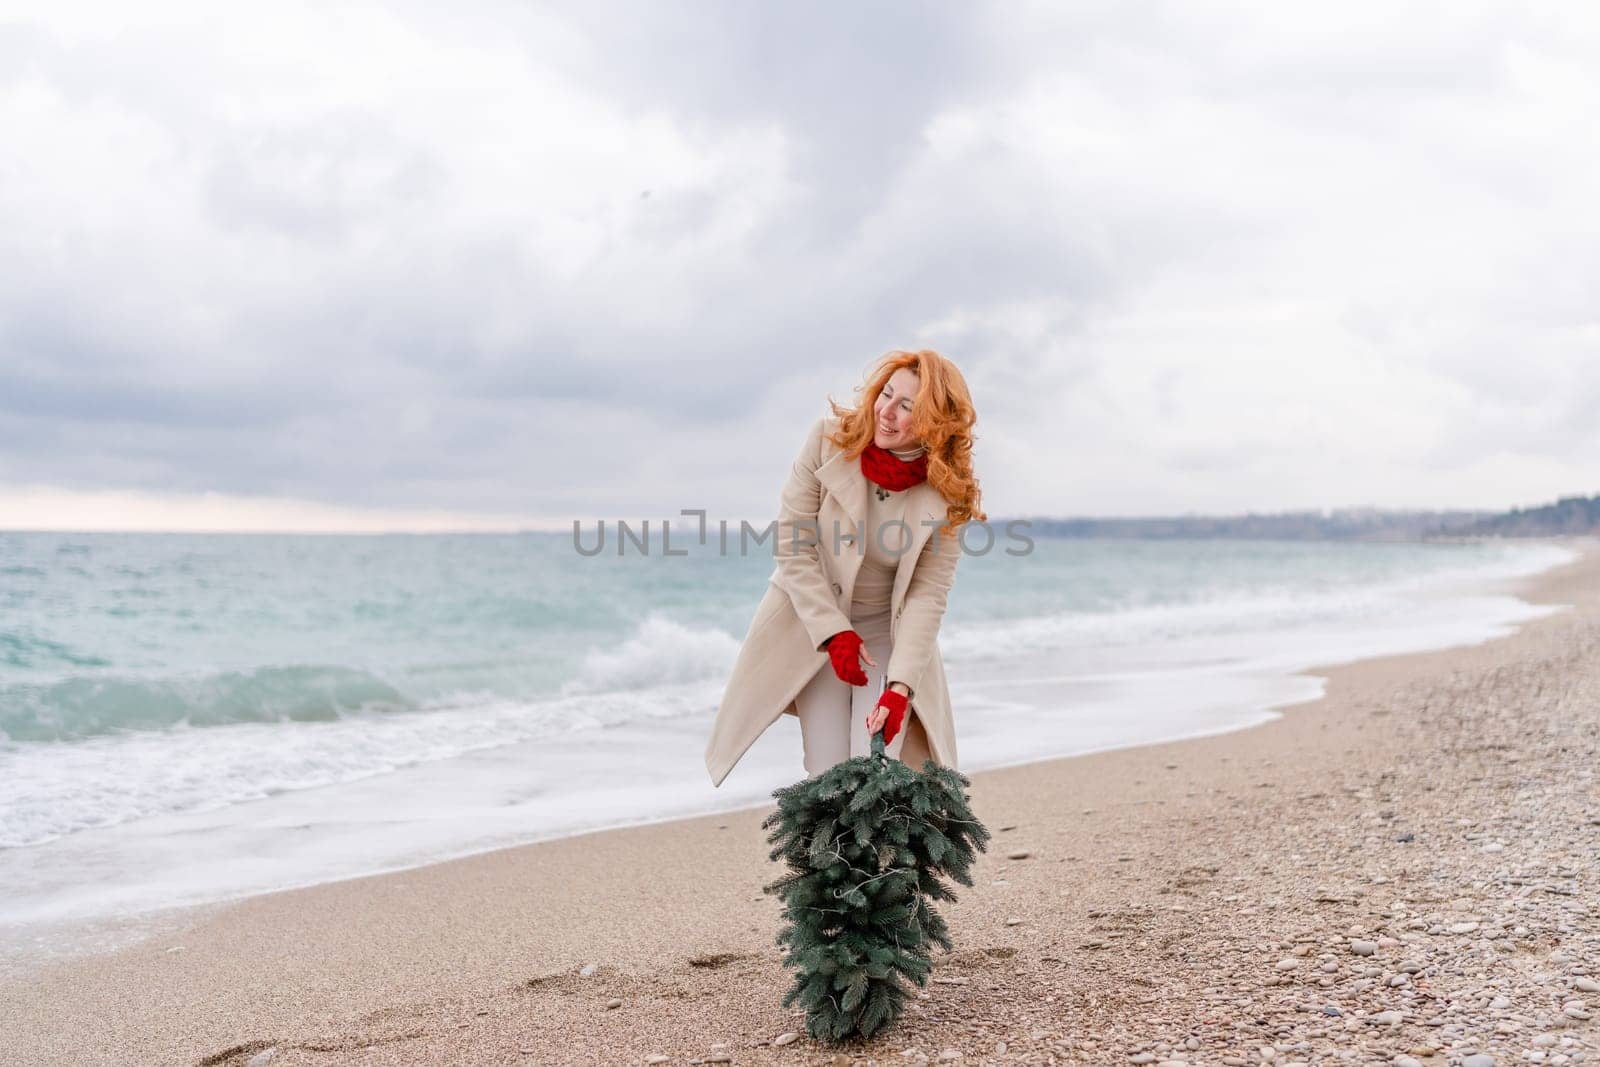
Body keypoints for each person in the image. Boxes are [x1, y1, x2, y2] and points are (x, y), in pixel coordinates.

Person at [703, 349, 985, 786]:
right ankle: (831, 856)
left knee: (877, 770)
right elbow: (792, 544)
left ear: (934, 422)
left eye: (907, 406)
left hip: (884, 635)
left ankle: (882, 855)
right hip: (817, 628)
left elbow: (927, 594)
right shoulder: (827, 440)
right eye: (886, 395)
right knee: (828, 772)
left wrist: (900, 688)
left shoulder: (949, 489)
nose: (886, 412)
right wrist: (833, 633)